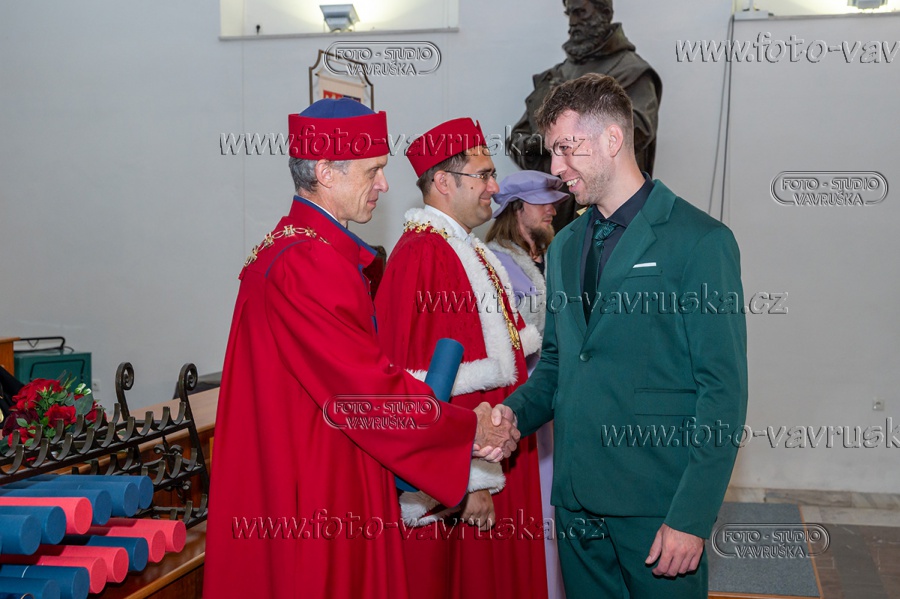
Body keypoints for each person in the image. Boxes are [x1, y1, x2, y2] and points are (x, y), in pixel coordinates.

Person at [203, 99, 519, 599]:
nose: (384, 184)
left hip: (307, 467)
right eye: (373, 170)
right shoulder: (307, 263)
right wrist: (467, 429)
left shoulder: (295, 248)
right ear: (326, 172)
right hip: (317, 485)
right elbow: (367, 395)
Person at [501, 74, 748, 598]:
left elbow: (723, 392)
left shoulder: (700, 242)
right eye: (552, 152)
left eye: (566, 148)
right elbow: (558, 364)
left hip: (658, 508)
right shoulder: (565, 246)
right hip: (576, 505)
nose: (555, 168)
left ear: (613, 140)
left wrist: (692, 516)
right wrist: (512, 416)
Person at [375, 118, 547, 599]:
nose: (495, 187)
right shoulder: (422, 255)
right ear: (444, 182)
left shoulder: (470, 250)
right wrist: (470, 481)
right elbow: (418, 386)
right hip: (468, 479)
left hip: (500, 457)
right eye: (484, 175)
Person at [507, 0, 662, 231]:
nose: (573, 21)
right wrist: (540, 144)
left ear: (604, 12)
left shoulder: (631, 71)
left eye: (580, 12)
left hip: (610, 214)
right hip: (554, 211)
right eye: (569, 13)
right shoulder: (555, 75)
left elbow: (636, 130)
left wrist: (567, 142)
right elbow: (517, 137)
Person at [485, 170, 568, 599]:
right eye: (541, 202)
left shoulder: (556, 255)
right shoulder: (494, 262)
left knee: (558, 497)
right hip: (525, 393)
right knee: (535, 497)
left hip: (560, 392)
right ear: (516, 210)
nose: (551, 209)